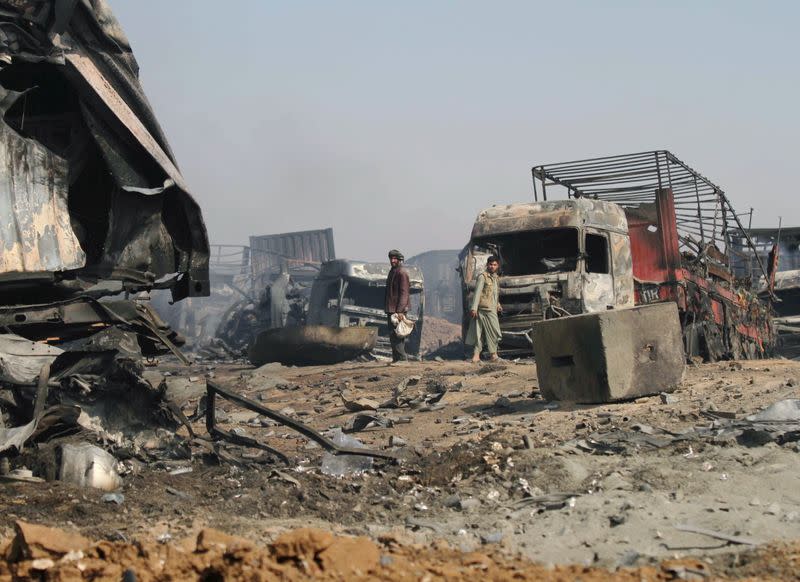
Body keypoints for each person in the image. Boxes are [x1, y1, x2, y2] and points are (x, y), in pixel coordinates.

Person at [465, 256, 503, 362]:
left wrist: (498, 304)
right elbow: (477, 293)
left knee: (493, 332)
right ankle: (485, 356)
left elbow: (494, 294)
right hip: (483, 309)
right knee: (479, 333)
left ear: (497, 266)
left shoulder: (495, 278)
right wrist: (474, 308)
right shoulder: (483, 277)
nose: (492, 266)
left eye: (494, 264)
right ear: (487, 265)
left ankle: (491, 355)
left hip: (492, 309)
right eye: (490, 264)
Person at [385, 249, 411, 362]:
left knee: (398, 334)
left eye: (395, 258)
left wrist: (400, 311)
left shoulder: (402, 273)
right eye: (391, 258)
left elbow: (404, 293)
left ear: (400, 260)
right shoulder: (393, 271)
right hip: (391, 309)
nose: (392, 260)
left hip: (398, 310)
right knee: (393, 335)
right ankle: (396, 359)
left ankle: (402, 359)